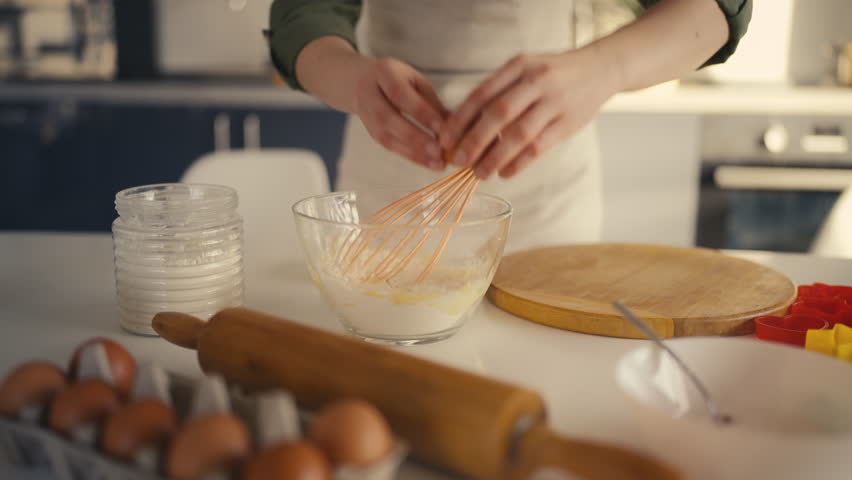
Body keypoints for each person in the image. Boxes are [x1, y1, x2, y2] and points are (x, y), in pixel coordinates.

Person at [266, 0, 751, 253]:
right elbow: (302, 16)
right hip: (390, 186)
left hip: (545, 198)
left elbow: (715, 9)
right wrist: (353, 80)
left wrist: (606, 68)